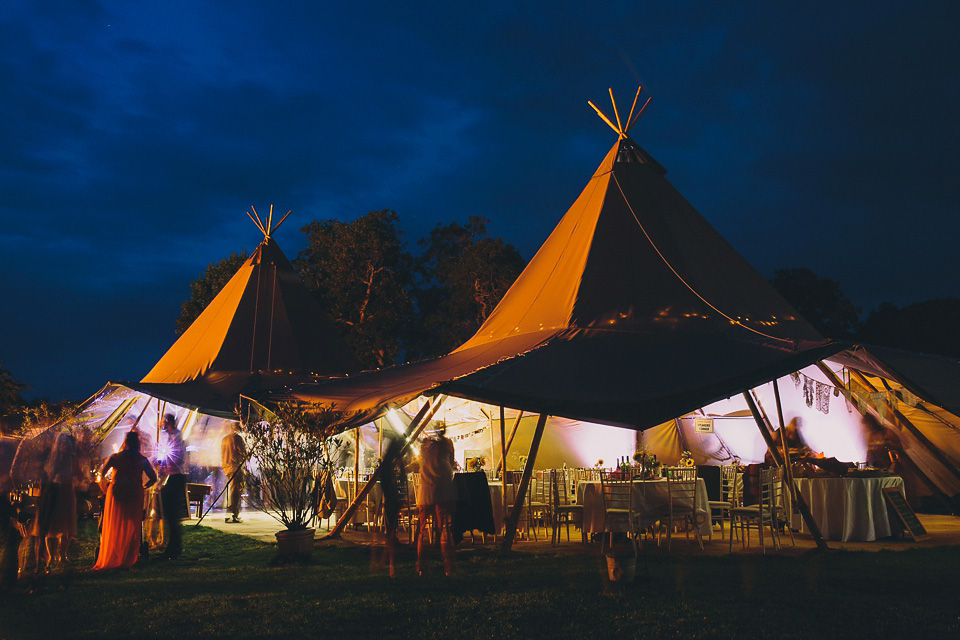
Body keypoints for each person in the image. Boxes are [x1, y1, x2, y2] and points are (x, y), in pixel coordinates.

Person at [93, 430, 157, 570]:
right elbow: (153, 478)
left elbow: (102, 474)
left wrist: (106, 488)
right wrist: (143, 487)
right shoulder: (141, 459)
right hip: (134, 493)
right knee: (132, 524)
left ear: (126, 443)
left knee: (116, 522)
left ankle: (115, 552)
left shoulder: (116, 458)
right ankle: (128, 553)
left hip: (117, 493)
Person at [35, 431, 81, 572]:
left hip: (68, 491)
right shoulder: (54, 459)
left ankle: (63, 554)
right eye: (63, 444)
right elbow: (48, 475)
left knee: (67, 525)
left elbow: (78, 473)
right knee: (53, 527)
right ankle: (51, 556)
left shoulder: (73, 459)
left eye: (68, 445)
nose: (65, 447)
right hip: (56, 492)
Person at [416, 426, 456, 576]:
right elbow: (451, 462)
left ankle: (421, 566)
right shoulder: (447, 444)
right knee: (444, 527)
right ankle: (448, 566)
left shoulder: (425, 445)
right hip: (443, 488)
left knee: (423, 529)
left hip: (426, 490)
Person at [156, 414, 187, 560]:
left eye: (164, 422)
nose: (162, 424)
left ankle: (174, 548)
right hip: (171, 476)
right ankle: (173, 546)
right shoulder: (170, 436)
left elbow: (179, 458)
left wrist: (166, 462)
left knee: (172, 514)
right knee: (169, 514)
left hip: (175, 477)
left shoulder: (176, 436)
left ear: (169, 423)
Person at [220, 422, 246, 524]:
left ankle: (230, 513)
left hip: (226, 467)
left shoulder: (224, 439)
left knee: (231, 491)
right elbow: (243, 452)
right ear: (236, 428)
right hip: (235, 467)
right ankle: (233, 514)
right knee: (235, 492)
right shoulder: (237, 438)